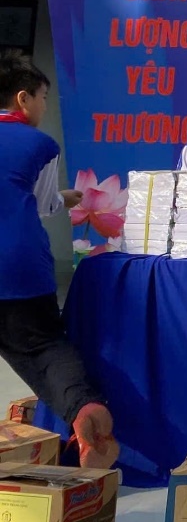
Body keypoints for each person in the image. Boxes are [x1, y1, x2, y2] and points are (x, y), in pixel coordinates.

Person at [0, 54, 119, 469]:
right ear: (23, 98)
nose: (44, 106)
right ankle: (83, 408)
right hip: (18, 267)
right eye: (43, 97)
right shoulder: (39, 144)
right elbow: (43, 203)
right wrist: (64, 199)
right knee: (46, 347)